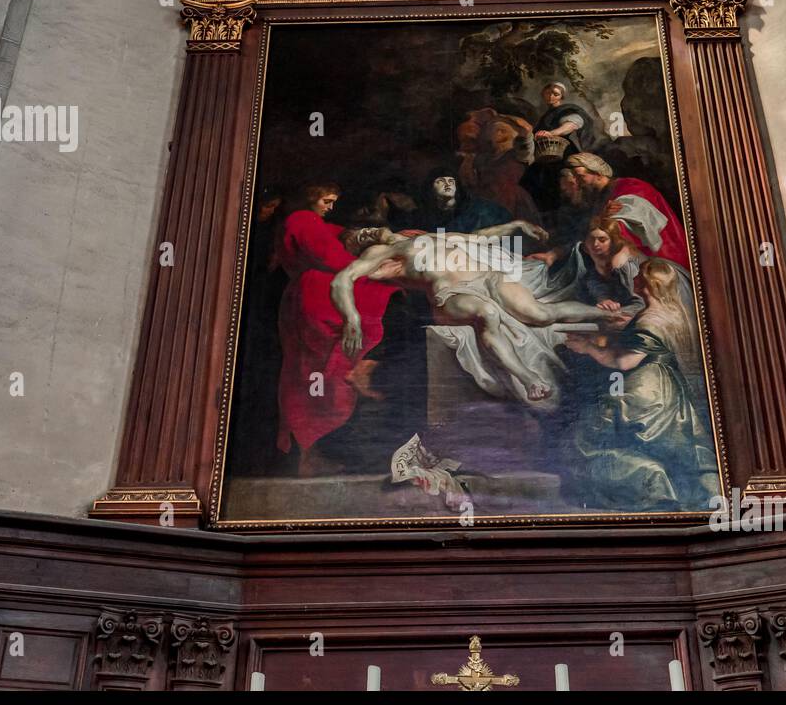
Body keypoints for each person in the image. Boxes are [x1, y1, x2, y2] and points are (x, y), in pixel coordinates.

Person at [331, 221, 613, 403]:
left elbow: (478, 238)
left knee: (540, 314)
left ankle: (607, 313)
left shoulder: (424, 237)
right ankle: (527, 378)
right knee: (487, 314)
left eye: (364, 228)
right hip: (452, 295)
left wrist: (515, 224)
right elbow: (342, 279)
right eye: (358, 237)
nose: (366, 233)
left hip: (488, 278)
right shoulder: (381, 254)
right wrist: (352, 318)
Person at [562, 258, 718, 511]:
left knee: (584, 440)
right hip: (669, 391)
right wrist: (621, 328)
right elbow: (647, 337)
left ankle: (654, 489)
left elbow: (624, 361)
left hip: (644, 391)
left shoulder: (650, 320)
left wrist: (587, 346)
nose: (633, 278)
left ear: (648, 284)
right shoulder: (673, 311)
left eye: (639, 276)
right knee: (675, 449)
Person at [274, 183, 400, 475]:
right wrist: (373, 267)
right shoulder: (302, 220)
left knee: (308, 376)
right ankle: (310, 453)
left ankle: (310, 453)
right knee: (318, 377)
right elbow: (333, 258)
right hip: (318, 299)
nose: (330, 207)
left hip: (311, 298)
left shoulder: (317, 223)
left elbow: (338, 242)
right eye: (326, 201)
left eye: (333, 202)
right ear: (310, 197)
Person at [565, 152, 691, 271]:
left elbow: (629, 224)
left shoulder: (632, 186)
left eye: (581, 177)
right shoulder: (599, 199)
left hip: (661, 261)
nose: (578, 184)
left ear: (598, 174)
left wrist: (605, 220)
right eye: (575, 178)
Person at [522, 82, 597, 212]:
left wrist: (551, 133)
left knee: (562, 185)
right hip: (544, 155)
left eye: (556, 94)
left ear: (561, 96)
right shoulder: (546, 115)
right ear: (543, 94)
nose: (551, 96)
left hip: (562, 153)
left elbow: (572, 124)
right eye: (548, 93)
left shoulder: (566, 110)